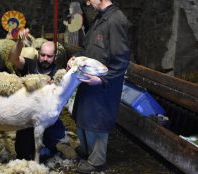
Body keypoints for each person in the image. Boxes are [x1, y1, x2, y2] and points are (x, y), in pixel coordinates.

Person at [67, 0, 130, 173]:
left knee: (97, 121)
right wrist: (76, 57)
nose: (87, 2)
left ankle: (97, 160)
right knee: (83, 116)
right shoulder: (99, 19)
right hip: (88, 79)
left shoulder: (116, 20)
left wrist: (102, 80)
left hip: (103, 85)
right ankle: (87, 150)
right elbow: (87, 49)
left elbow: (121, 60)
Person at [9, 28, 66, 162]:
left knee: (53, 147)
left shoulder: (58, 74)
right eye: (43, 55)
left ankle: (49, 147)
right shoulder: (30, 65)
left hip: (48, 120)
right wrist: (19, 43)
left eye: (49, 56)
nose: (45, 58)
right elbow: (13, 58)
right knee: (22, 153)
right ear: (38, 53)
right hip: (28, 119)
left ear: (55, 57)